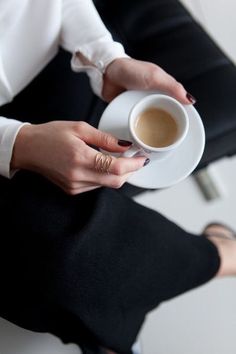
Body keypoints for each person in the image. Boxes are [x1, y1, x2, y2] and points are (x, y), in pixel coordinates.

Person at [0, 1, 235, 354]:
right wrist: (16, 145)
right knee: (52, 260)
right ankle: (218, 255)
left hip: (52, 58)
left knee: (61, 260)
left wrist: (108, 59)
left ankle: (107, 329)